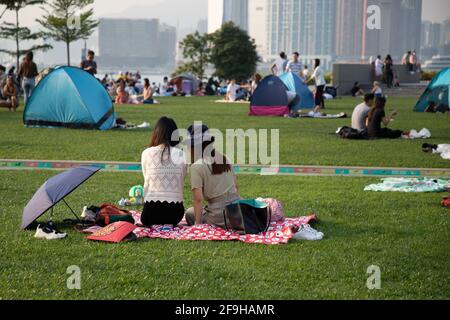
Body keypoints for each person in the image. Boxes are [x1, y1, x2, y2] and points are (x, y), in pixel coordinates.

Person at [184, 124, 240, 227]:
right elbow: (236, 187)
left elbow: (198, 200)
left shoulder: (197, 166)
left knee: (189, 213)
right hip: (238, 213)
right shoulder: (224, 157)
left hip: (218, 217)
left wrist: (198, 225)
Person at [140, 117, 187, 227]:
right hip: (175, 214)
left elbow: (146, 177)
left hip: (150, 214)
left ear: (156, 133)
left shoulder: (146, 153)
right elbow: (182, 178)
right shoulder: (182, 154)